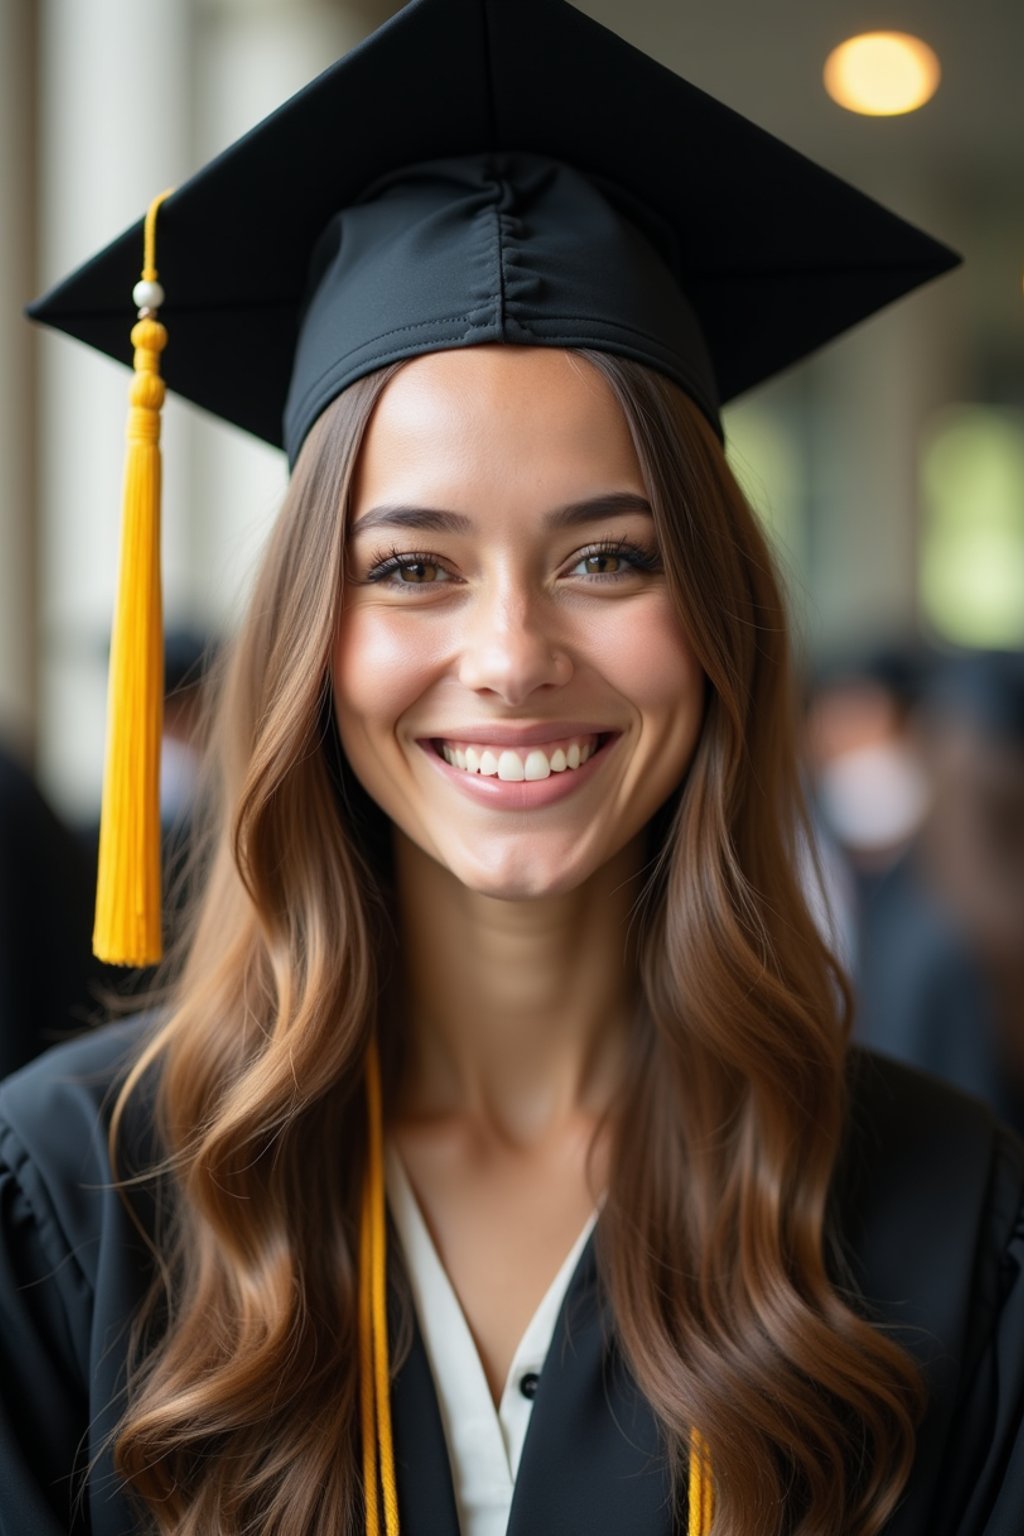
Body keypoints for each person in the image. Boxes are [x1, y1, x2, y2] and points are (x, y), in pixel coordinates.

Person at [2, 3, 1022, 1534]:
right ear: (308, 638)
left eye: (608, 555)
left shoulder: (937, 1210)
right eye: (411, 567)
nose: (511, 652)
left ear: (720, 615)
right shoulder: (84, 1197)